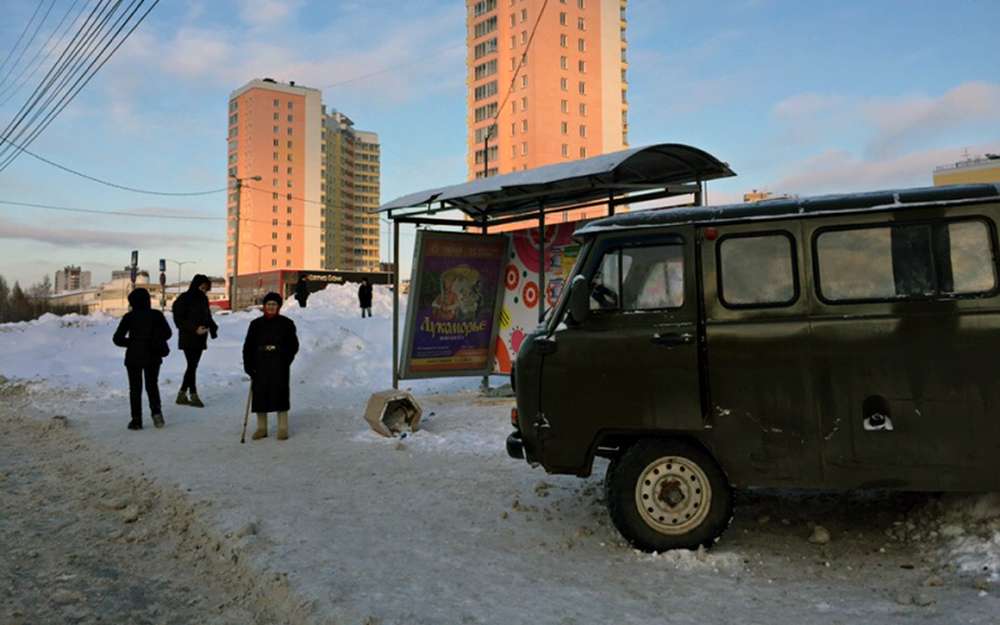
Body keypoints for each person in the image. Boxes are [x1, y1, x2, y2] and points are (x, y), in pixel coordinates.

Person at [113, 288, 172, 430]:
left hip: (133, 357)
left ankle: (136, 420)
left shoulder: (129, 317)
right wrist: (153, 339)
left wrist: (133, 342)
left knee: (135, 388)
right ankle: (157, 415)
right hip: (153, 356)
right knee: (152, 386)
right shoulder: (156, 315)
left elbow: (117, 339)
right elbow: (167, 333)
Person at [243, 292, 299, 441]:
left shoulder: (287, 323)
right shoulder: (255, 324)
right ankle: (262, 428)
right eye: (268, 304)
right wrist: (248, 365)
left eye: (274, 304)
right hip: (260, 363)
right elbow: (248, 346)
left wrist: (286, 359)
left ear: (279, 306)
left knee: (280, 393)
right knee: (260, 394)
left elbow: (293, 345)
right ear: (264, 306)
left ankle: (283, 428)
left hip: (279, 363)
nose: (271, 307)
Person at [171, 274, 218, 407]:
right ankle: (193, 394)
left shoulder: (203, 299)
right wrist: (194, 329)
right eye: (202, 288)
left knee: (192, 366)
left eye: (205, 289)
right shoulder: (184, 298)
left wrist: (213, 328)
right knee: (192, 365)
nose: (203, 291)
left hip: (201, 337)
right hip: (188, 337)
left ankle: (182, 394)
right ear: (195, 285)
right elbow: (179, 320)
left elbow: (207, 316)